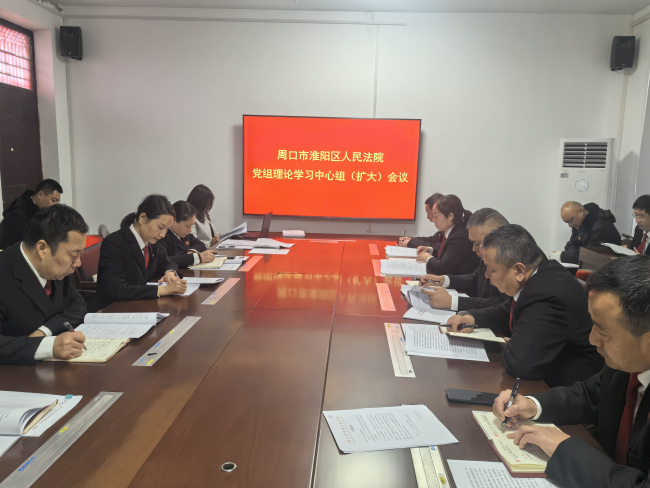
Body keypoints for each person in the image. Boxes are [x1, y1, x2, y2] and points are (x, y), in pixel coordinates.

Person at [493, 255, 650, 488]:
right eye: (593, 323)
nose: (592, 339)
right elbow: (590, 395)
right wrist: (532, 405)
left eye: (603, 331)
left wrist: (563, 449)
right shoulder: (627, 364)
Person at [446, 224, 603, 387]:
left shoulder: (547, 296)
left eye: (491, 269)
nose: (486, 275)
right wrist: (472, 317)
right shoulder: (540, 275)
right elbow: (506, 311)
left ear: (519, 271)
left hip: (566, 389)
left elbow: (519, 364)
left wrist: (509, 343)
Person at [0, 205, 87, 365]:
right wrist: (47, 346)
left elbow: (77, 304)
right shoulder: (5, 272)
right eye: (74, 254)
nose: (78, 263)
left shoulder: (57, 267)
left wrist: (44, 332)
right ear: (42, 248)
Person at [94, 195, 186, 311]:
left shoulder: (152, 242)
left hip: (141, 306)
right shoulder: (114, 243)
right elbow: (115, 289)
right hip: (115, 309)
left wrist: (170, 272)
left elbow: (168, 262)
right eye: (160, 227)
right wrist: (162, 290)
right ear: (142, 218)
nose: (163, 234)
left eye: (167, 229)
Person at [420, 208, 509, 311]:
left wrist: (452, 301)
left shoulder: (511, 261)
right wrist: (444, 280)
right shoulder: (487, 253)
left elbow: (502, 305)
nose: (473, 249)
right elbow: (475, 278)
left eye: (477, 244)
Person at [415, 194, 479, 275]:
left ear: (450, 216)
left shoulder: (459, 237)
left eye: (436, 217)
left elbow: (443, 268)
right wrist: (430, 250)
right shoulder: (451, 230)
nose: (433, 220)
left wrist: (427, 258)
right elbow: (446, 253)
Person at [550, 201, 621, 264]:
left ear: (581, 211)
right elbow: (571, 244)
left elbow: (589, 256)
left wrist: (561, 256)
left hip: (607, 268)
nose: (570, 225)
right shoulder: (579, 223)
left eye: (571, 220)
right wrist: (571, 254)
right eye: (567, 222)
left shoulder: (601, 227)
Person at [0, 178, 63, 249]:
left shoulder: (45, 211)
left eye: (57, 201)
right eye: (53, 200)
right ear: (40, 195)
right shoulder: (17, 214)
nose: (55, 205)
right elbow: (24, 244)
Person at [160, 201, 218, 268]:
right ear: (174, 221)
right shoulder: (162, 236)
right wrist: (196, 258)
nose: (190, 230)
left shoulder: (184, 234)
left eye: (191, 226)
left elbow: (200, 244)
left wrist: (192, 252)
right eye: (187, 226)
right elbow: (163, 261)